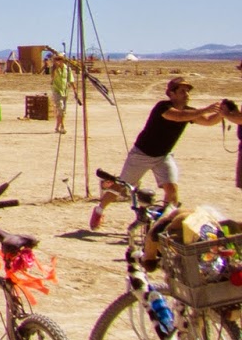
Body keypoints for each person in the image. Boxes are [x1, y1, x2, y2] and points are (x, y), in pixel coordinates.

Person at [90, 76, 229, 230]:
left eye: (188, 91)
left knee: (172, 189)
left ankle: (164, 223)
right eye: (182, 91)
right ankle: (99, 210)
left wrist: (222, 113)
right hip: (142, 154)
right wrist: (205, 110)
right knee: (121, 186)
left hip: (164, 155)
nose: (187, 94)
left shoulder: (190, 112)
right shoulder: (163, 107)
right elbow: (178, 117)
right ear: (171, 94)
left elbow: (208, 121)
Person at [49, 51, 74, 134]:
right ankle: (62, 126)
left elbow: (71, 80)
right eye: (57, 59)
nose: (58, 61)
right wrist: (56, 67)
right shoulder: (53, 69)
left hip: (65, 91)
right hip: (57, 91)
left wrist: (75, 90)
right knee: (60, 108)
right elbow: (52, 76)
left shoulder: (67, 69)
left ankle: (57, 127)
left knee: (63, 110)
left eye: (60, 59)